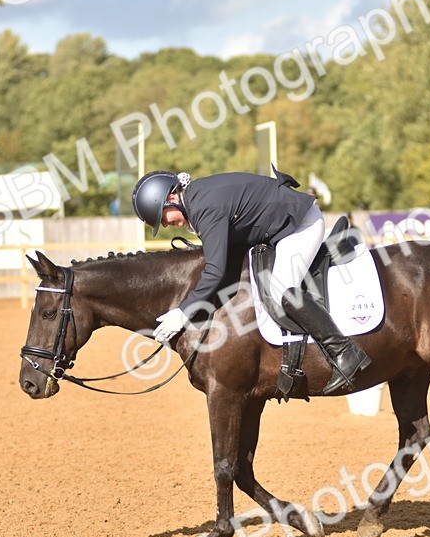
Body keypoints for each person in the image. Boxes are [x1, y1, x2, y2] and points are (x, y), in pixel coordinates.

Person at [131, 169, 371, 394]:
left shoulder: (204, 207)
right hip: (280, 227)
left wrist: (184, 312)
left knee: (281, 290)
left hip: (301, 225)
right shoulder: (197, 200)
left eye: (161, 217)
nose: (165, 225)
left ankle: (344, 351)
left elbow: (215, 271)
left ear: (172, 197)